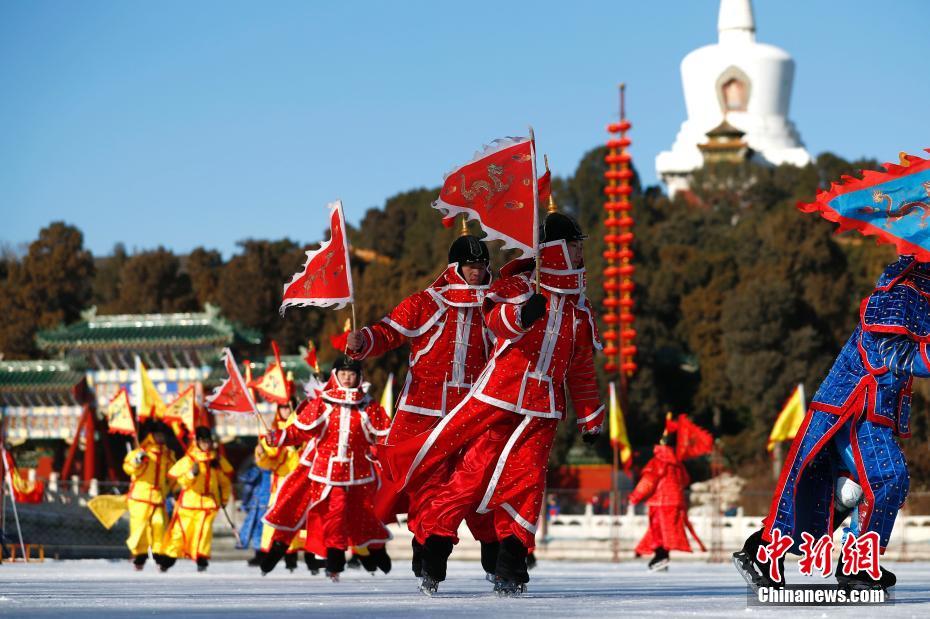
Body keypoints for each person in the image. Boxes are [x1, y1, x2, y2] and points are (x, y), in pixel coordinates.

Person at [380, 212, 604, 596]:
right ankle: (434, 546)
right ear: (554, 250)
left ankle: (511, 563)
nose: (580, 250)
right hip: (499, 395)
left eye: (579, 244)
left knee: (528, 481)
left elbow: (580, 368)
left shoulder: (580, 310)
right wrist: (521, 314)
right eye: (573, 244)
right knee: (474, 472)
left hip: (544, 407)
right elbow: (496, 321)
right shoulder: (518, 286)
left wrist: (591, 420)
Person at [734, 255, 923, 592]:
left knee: (847, 491)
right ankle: (855, 567)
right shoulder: (900, 291)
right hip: (855, 407)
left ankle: (765, 552)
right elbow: (892, 353)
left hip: (871, 408)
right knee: (889, 477)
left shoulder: (919, 292)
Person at [342, 234, 499, 579]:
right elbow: (388, 332)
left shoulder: (498, 304)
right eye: (471, 266)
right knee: (424, 486)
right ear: (456, 267)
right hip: (422, 413)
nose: (477, 272)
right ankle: (426, 547)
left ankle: (496, 553)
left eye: (481, 265)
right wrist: (362, 341)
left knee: (480, 484)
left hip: (473, 412)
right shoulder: (425, 303)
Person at [261, 356, 392, 581]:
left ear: (359, 377)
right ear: (335, 376)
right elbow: (299, 431)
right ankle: (332, 558)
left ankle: (375, 552)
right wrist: (278, 437)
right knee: (315, 509)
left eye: (352, 374)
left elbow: (386, 435)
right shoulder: (323, 404)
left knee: (364, 514)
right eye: (343, 374)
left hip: (359, 474)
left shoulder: (368, 407)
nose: (347, 378)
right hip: (324, 471)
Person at [161, 426, 233, 572]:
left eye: (209, 441)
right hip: (189, 503)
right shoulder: (189, 459)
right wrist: (191, 474)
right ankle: (169, 559)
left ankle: (202, 559)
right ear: (197, 442)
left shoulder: (215, 460)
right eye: (204, 441)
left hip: (209, 504)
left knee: (204, 531)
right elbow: (178, 481)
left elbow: (225, 482)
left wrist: (224, 499)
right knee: (181, 532)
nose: (207, 444)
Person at [629, 431, 691, 572]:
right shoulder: (677, 464)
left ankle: (660, 557)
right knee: (667, 532)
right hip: (675, 502)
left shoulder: (657, 462)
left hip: (660, 502)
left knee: (658, 531)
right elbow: (685, 480)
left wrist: (635, 497)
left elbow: (648, 482)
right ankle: (662, 558)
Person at [122, 419, 177, 570]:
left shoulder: (167, 454)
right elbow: (128, 468)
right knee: (139, 527)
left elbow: (172, 475)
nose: (161, 438)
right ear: (152, 435)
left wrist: (178, 490)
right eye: (158, 434)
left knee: (159, 523)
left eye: (163, 435)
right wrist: (137, 461)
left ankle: (159, 554)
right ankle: (139, 557)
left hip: (158, 497)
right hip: (140, 497)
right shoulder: (141, 451)